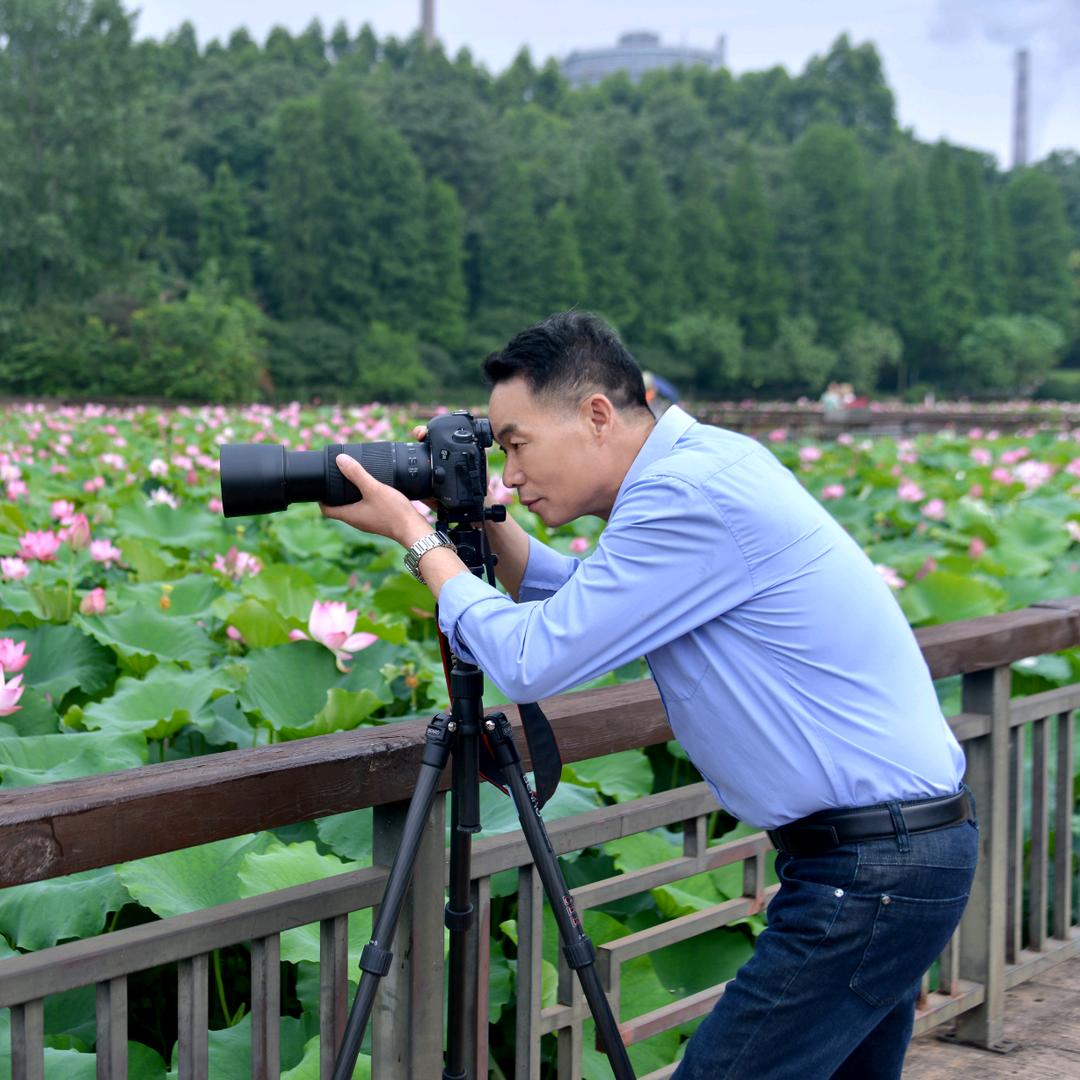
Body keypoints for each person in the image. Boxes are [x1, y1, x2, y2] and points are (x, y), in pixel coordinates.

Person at [321, 311, 976, 1079]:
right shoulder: (703, 464)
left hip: (872, 869)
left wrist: (419, 540)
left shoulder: (683, 494)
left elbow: (532, 659)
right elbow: (595, 605)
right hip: (889, 856)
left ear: (597, 414)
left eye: (517, 445)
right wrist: (480, 529)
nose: (515, 473)